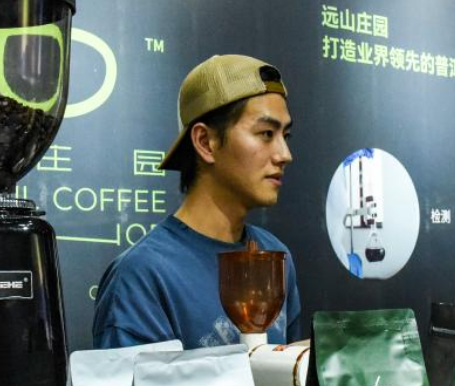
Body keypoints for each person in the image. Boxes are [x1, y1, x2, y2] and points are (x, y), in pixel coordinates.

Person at [93, 54, 302, 349]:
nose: (284, 154)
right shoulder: (143, 275)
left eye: (286, 135)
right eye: (266, 134)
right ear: (205, 142)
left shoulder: (276, 256)